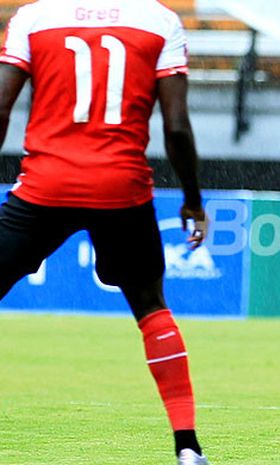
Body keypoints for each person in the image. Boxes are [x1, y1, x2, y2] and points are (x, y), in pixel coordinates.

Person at [0, 1, 212, 463]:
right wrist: (193, 199)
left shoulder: (34, 18)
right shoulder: (159, 21)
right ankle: (188, 446)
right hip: (121, 188)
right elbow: (176, 127)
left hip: (43, 186)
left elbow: (0, 107)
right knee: (152, 309)